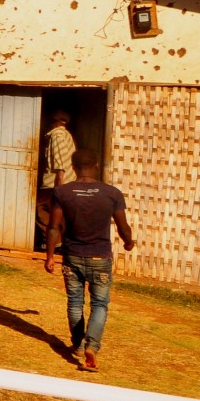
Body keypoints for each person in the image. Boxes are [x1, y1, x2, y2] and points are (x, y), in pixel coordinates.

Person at [42, 149, 134, 371]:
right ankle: (92, 345)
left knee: (75, 302)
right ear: (96, 166)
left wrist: (50, 256)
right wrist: (128, 242)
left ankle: (78, 344)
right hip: (100, 257)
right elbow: (123, 227)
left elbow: (54, 227)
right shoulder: (112, 193)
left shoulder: (62, 192)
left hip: (72, 256)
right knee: (99, 304)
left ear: (73, 167)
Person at [35, 110, 76, 241]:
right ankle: (60, 241)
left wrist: (60, 182)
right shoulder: (66, 135)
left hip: (54, 183)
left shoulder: (57, 135)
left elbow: (60, 160)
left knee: (40, 210)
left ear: (55, 123)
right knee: (59, 214)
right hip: (64, 182)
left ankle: (56, 241)